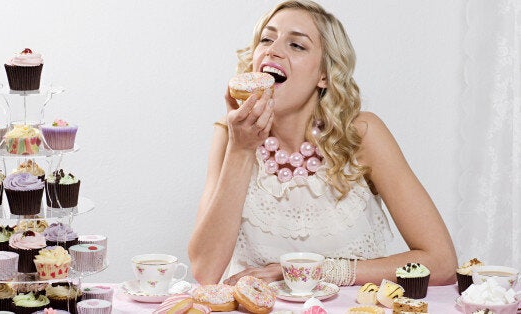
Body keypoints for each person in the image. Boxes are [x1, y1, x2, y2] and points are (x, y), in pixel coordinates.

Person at [188, 0, 457, 286]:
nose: (273, 49)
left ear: (324, 75)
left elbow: (441, 262)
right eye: (266, 39)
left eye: (297, 45)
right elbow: (205, 271)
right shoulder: (230, 138)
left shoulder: (362, 134)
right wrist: (242, 149)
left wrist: (310, 271)